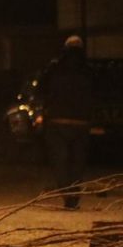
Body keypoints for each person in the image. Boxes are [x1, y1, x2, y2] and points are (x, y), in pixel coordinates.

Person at [38, 35, 94, 209]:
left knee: (60, 160)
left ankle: (67, 195)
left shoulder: (55, 67)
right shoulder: (88, 69)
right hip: (81, 122)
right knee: (78, 161)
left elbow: (41, 88)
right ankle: (74, 195)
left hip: (57, 120)